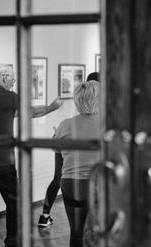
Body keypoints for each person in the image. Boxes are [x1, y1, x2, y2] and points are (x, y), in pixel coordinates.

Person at [0, 64, 63, 247]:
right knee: (15, 204)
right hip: (4, 163)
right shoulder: (10, 98)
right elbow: (33, 112)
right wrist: (52, 107)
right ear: (4, 77)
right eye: (12, 78)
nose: (13, 82)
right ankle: (12, 242)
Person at [38, 72, 100, 227]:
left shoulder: (67, 122)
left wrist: (59, 135)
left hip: (71, 176)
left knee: (58, 178)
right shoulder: (105, 121)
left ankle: (45, 214)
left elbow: (57, 143)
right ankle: (45, 214)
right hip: (94, 179)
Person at [53, 80, 100, 247]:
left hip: (71, 183)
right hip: (98, 184)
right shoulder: (107, 124)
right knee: (100, 232)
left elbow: (58, 154)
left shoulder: (65, 125)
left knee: (76, 232)